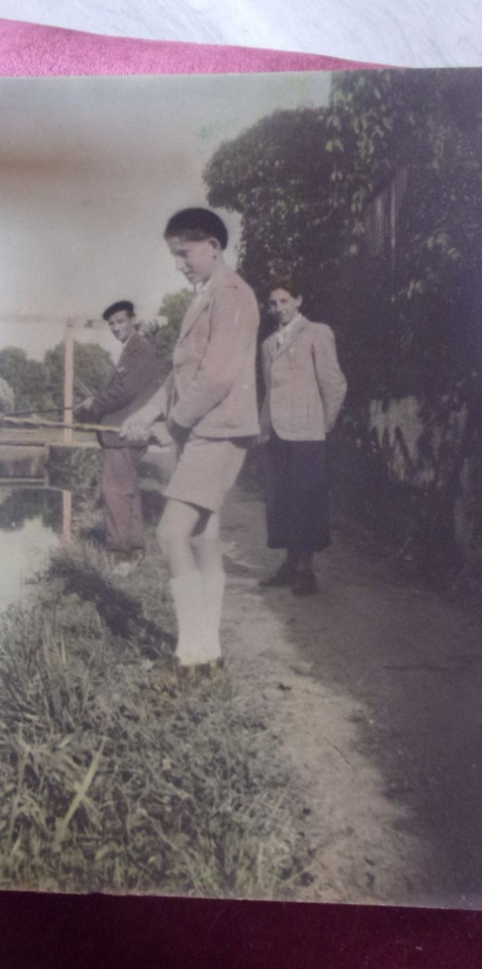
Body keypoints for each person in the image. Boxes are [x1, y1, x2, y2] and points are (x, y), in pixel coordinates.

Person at [121, 207, 260, 675]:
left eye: (185, 253)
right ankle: (209, 652)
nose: (180, 263)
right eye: (174, 256)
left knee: (170, 534)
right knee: (202, 537)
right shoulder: (206, 296)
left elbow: (218, 375)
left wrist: (173, 425)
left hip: (218, 431)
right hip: (207, 429)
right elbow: (183, 376)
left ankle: (191, 654)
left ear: (214, 247)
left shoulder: (234, 294)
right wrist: (146, 412)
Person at [258, 275, 347, 595]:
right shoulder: (268, 344)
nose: (278, 308)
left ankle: (306, 569)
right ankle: (289, 562)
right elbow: (269, 392)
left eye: (284, 301)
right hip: (276, 433)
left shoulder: (316, 333)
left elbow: (334, 383)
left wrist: (323, 424)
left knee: (306, 500)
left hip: (308, 432)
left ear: (298, 301)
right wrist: (263, 427)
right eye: (273, 303)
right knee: (280, 501)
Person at [76, 300, 158, 568]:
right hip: (125, 432)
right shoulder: (132, 349)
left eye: (121, 322)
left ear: (133, 320)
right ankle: (134, 549)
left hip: (123, 433)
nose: (116, 328)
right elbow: (121, 389)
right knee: (127, 491)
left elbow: (125, 391)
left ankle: (119, 554)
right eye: (112, 324)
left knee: (114, 493)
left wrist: (93, 405)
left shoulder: (139, 349)